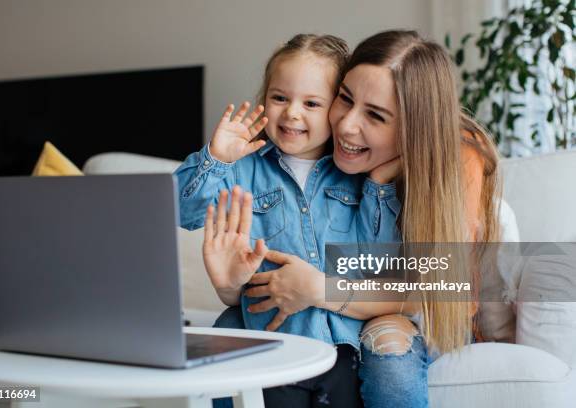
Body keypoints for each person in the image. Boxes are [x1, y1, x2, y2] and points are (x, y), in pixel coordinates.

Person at [204, 30, 501, 407]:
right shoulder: (322, 141)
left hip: (430, 307)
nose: (346, 125)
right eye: (345, 98)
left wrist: (321, 289)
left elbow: (442, 289)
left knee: (388, 353)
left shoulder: (457, 159)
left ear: (415, 128)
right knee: (231, 327)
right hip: (357, 289)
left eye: (375, 115)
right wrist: (234, 287)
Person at [175, 34, 377, 407]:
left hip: (344, 348)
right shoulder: (243, 168)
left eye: (312, 103)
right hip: (272, 343)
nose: (292, 113)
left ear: (336, 109)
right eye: (279, 97)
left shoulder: (356, 172)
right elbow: (179, 211)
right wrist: (216, 158)